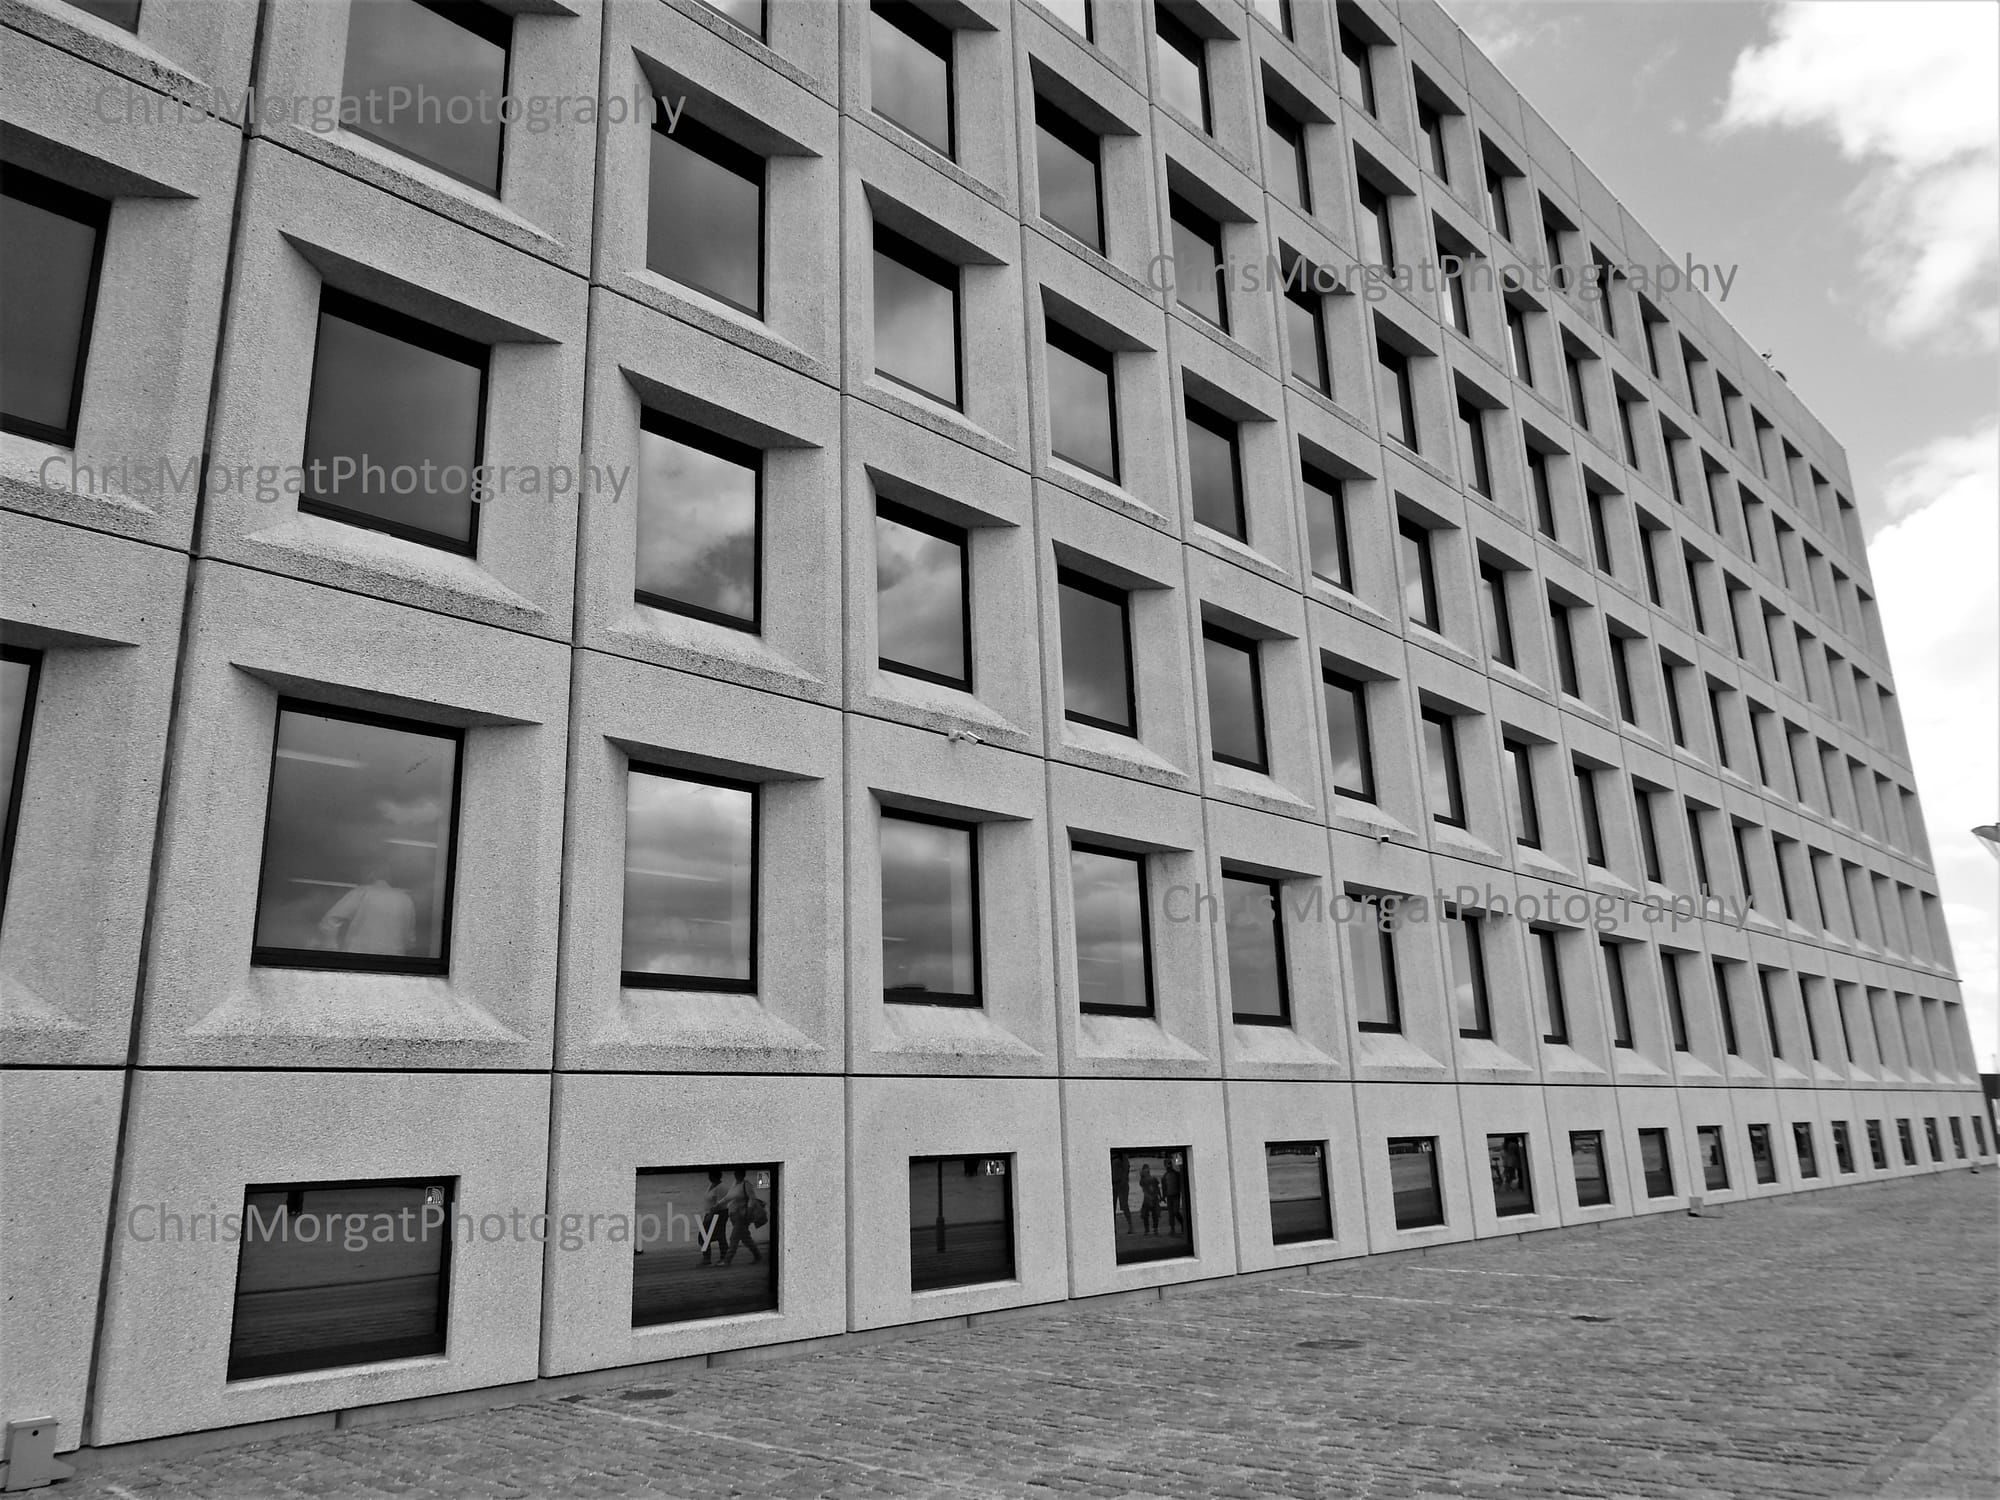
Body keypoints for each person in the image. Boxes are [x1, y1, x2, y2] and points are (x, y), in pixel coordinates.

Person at [317, 866, 415, 955]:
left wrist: (331, 947)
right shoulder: (406, 899)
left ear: (370, 874)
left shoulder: (362, 892)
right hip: (393, 960)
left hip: (358, 955)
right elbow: (410, 940)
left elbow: (329, 921)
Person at [723, 1168, 763, 1265]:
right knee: (745, 1238)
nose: (736, 1175)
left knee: (734, 1238)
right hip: (734, 1215)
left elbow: (752, 1199)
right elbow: (728, 1198)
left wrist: (748, 1211)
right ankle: (758, 1256)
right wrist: (718, 1205)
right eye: (736, 1173)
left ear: (742, 1174)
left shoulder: (746, 1184)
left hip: (742, 1215)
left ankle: (727, 1260)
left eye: (738, 1173)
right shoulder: (734, 1185)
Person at [698, 1170, 728, 1266]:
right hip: (710, 1214)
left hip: (719, 1214)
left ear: (716, 1176)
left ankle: (722, 1258)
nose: (709, 1177)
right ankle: (707, 1258)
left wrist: (710, 1215)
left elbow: (720, 1204)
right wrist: (707, 1214)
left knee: (718, 1236)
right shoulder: (712, 1185)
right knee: (705, 1236)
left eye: (711, 1175)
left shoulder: (721, 1187)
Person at [1162, 1156, 1186, 1238]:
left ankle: (1183, 1224)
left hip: (1175, 1195)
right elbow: (1164, 1187)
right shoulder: (1164, 1176)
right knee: (1171, 1213)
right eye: (1167, 1164)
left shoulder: (1176, 1174)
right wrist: (1163, 1196)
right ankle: (1172, 1229)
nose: (1168, 1166)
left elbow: (1180, 1183)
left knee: (1175, 1211)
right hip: (1169, 1196)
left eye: (1169, 1164)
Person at [1111, 1152, 1133, 1235]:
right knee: (1112, 1207)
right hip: (1112, 1183)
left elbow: (1126, 1167)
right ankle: (1113, 1228)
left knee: (1124, 1205)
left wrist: (1124, 1180)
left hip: (1121, 1183)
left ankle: (1130, 1225)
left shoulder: (1121, 1155)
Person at [1139, 1164, 1161, 1235]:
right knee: (1146, 1214)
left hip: (1152, 1197)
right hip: (1148, 1198)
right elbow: (1144, 1189)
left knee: (1153, 1214)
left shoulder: (1153, 1179)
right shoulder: (1144, 1180)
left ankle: (1153, 1229)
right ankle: (1149, 1229)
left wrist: (1160, 1197)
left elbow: (1157, 1188)